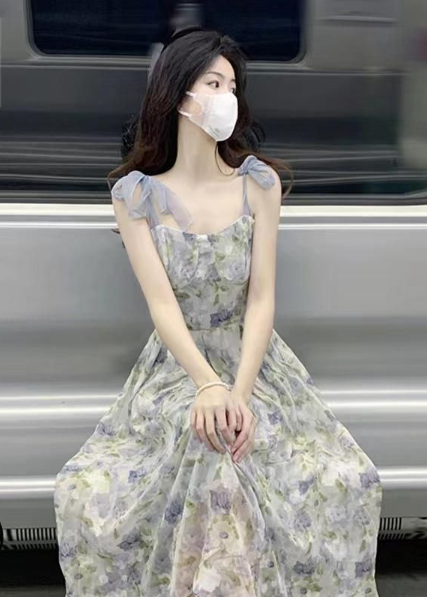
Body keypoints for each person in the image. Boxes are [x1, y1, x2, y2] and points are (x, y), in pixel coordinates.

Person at [54, 27, 383, 597]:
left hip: (256, 363)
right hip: (178, 366)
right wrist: (207, 385)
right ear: (179, 93)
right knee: (203, 446)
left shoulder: (259, 184)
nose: (226, 96)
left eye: (231, 86)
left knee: (311, 468)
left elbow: (260, 298)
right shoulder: (135, 195)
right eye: (213, 84)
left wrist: (241, 393)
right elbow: (162, 305)